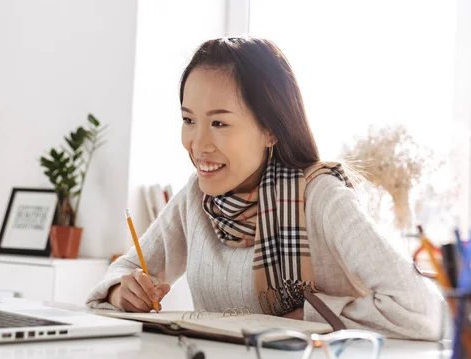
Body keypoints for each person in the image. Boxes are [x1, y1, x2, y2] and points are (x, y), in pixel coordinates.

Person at [86, 37, 442, 340]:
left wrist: (310, 316)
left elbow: (421, 310)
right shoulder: (196, 197)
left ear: (271, 130)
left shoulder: (319, 197)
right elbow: (123, 271)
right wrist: (122, 292)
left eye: (220, 123)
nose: (198, 143)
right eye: (188, 120)